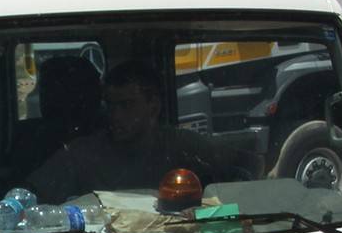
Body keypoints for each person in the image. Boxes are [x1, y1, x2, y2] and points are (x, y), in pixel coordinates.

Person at [30, 65, 227, 202]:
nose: (115, 115)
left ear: (153, 106)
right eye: (110, 105)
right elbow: (29, 195)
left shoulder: (183, 145)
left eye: (126, 105)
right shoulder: (80, 155)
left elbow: (243, 167)